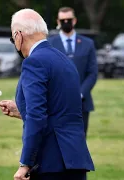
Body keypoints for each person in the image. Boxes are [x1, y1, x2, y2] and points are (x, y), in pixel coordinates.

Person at [0, 9, 94, 180]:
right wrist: (21, 111)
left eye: (13, 39)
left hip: (50, 163)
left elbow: (37, 116)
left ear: (18, 36)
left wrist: (25, 163)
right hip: (75, 160)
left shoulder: (33, 62)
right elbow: (60, 110)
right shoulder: (65, 60)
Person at [48, 7, 98, 137]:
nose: (66, 22)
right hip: (57, 103)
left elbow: (92, 73)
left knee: (79, 140)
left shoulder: (88, 44)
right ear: (58, 21)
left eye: (68, 19)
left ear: (74, 20)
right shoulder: (50, 43)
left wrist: (80, 93)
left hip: (81, 103)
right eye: (62, 20)